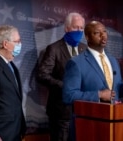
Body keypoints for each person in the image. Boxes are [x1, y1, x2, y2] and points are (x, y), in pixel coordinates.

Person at [62, 21, 123, 141]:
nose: (103, 36)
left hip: (114, 126)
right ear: (87, 37)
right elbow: (68, 95)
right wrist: (98, 95)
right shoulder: (76, 63)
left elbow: (115, 91)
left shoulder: (113, 61)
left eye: (105, 31)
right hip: (89, 128)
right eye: (97, 33)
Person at [37, 12, 87, 141]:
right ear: (67, 28)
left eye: (82, 28)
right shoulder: (54, 49)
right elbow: (42, 75)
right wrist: (64, 86)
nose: (79, 31)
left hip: (83, 111)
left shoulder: (85, 49)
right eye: (76, 27)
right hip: (61, 112)